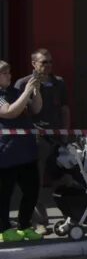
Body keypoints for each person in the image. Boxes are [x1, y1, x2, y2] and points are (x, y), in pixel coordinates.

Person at [16, 49, 68, 232]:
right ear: (34, 64)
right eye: (44, 62)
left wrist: (65, 133)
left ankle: (72, 215)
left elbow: (64, 108)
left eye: (50, 62)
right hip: (35, 139)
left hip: (57, 139)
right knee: (35, 181)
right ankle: (38, 221)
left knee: (62, 177)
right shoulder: (23, 84)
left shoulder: (58, 83)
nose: (48, 66)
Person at [0, 60, 42, 241]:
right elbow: (9, 112)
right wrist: (26, 92)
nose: (9, 75)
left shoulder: (14, 92)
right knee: (4, 193)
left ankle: (24, 225)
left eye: (9, 72)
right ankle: (3, 229)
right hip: (6, 153)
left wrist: (36, 91)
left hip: (26, 151)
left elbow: (35, 108)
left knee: (32, 190)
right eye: (4, 73)